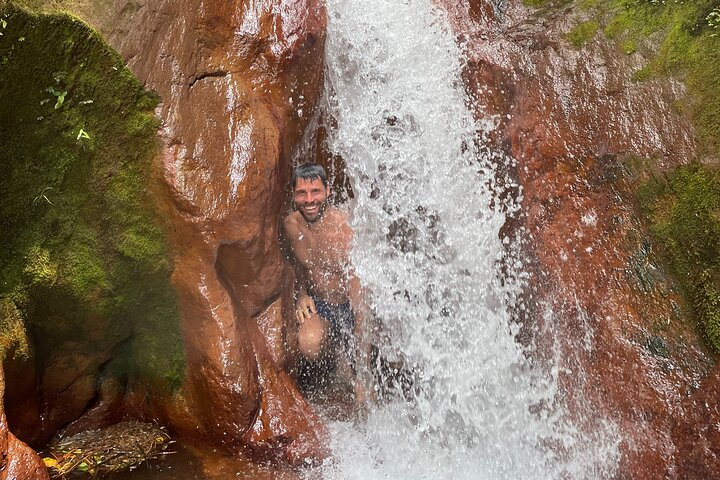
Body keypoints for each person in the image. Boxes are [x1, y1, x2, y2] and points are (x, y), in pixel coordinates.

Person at [283, 163, 371, 401]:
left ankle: (351, 363)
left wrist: (364, 375)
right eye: (302, 193)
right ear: (293, 194)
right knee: (308, 343)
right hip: (321, 306)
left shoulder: (344, 230)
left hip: (350, 309)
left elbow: (362, 306)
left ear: (328, 191)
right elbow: (297, 265)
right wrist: (302, 293)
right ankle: (340, 357)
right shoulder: (291, 226)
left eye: (316, 192)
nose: (309, 200)